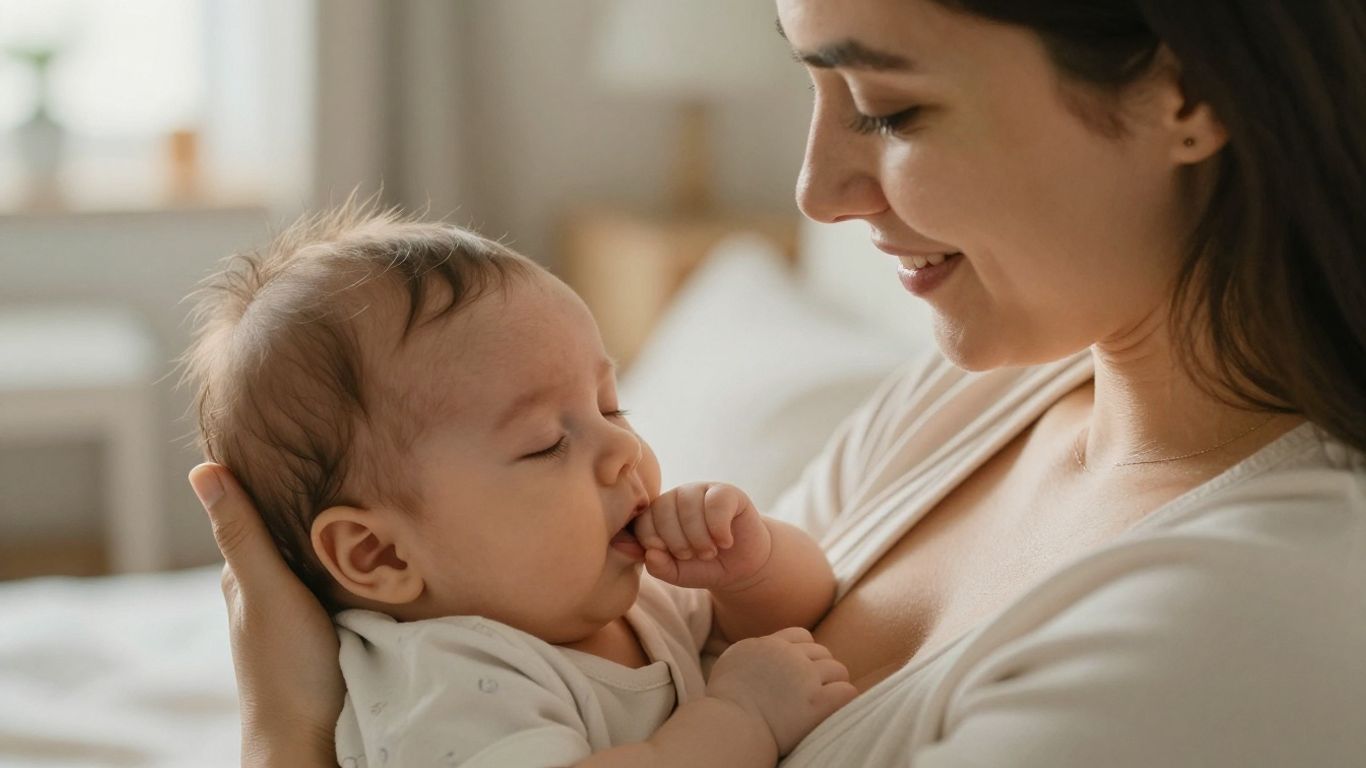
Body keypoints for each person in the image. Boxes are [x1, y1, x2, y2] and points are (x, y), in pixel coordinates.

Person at [188, 0, 1366, 765]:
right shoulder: (966, 394)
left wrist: (287, 736)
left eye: (891, 109)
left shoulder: (1240, 623)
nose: (814, 189)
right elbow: (768, 604)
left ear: (1186, 97)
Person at [181, 207, 856, 767]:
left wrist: (750, 567)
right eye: (546, 443)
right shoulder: (444, 680)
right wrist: (739, 717)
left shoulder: (616, 594)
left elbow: (803, 612)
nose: (623, 447)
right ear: (379, 554)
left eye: (610, 405)